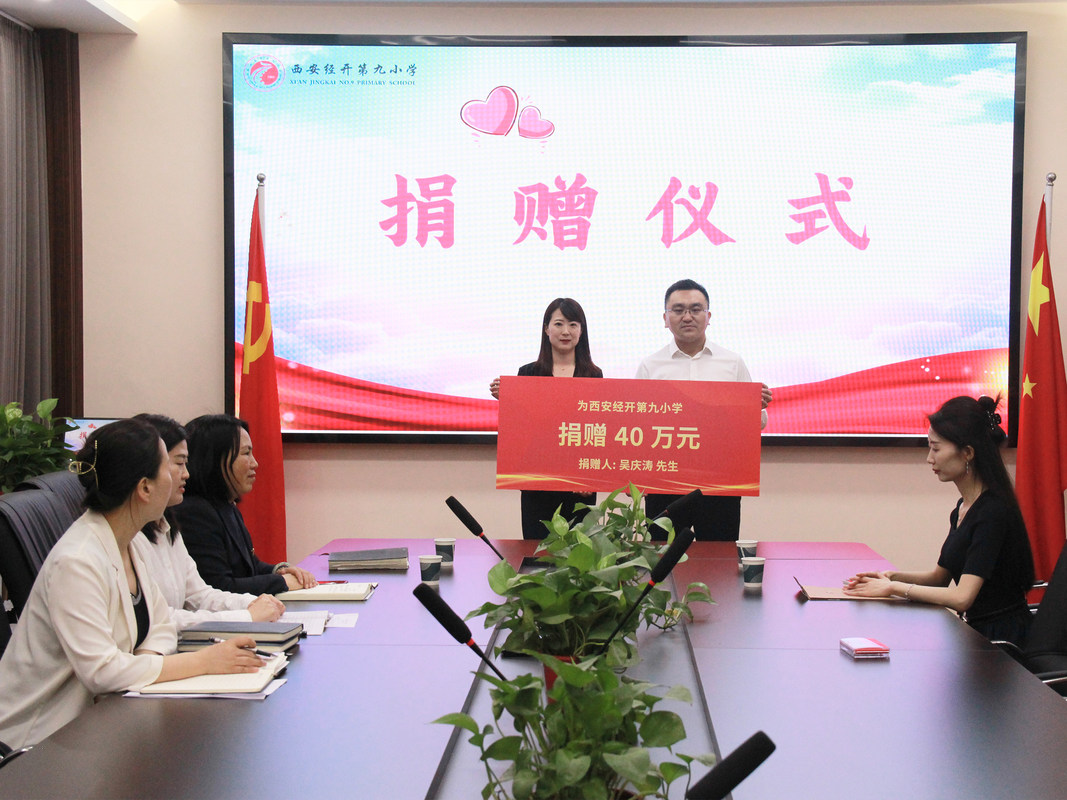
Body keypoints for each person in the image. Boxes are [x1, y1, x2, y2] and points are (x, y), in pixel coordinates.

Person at [0, 419, 264, 749]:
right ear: (144, 488)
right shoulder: (77, 560)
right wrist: (204, 661)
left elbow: (162, 626)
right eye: (169, 466)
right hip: (35, 743)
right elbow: (102, 671)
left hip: (99, 721)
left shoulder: (126, 542)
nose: (181, 475)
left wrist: (143, 662)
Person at [844, 395, 1035, 647]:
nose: (929, 458)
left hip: (1002, 641)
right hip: (976, 634)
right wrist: (890, 577)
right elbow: (939, 577)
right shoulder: (962, 508)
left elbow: (962, 597)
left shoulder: (992, 512)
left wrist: (892, 589)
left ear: (967, 453)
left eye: (936, 448)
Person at [635, 278, 772, 541]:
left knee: (719, 557)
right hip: (665, 481)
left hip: (719, 482)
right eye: (678, 310)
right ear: (665, 318)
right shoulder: (650, 366)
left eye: (695, 309)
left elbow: (758, 423)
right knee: (662, 556)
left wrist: (756, 406)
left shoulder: (732, 362)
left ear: (708, 316)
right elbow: (638, 425)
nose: (687, 316)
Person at [131, 414, 285, 628]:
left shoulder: (166, 524)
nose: (186, 474)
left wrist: (253, 603)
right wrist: (248, 614)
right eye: (179, 463)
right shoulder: (130, 535)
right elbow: (156, 619)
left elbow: (199, 594)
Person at [490, 298, 604, 539]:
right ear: (546, 329)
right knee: (536, 552)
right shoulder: (528, 373)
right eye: (559, 324)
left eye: (573, 325)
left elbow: (595, 430)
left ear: (581, 330)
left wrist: (589, 479)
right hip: (537, 482)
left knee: (580, 553)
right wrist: (508, 399)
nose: (566, 331)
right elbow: (521, 429)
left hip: (578, 485)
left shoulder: (593, 375)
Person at [173, 414, 317, 594]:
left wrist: (280, 570)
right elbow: (218, 586)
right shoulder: (194, 512)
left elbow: (250, 566)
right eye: (246, 453)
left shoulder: (226, 505)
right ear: (215, 458)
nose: (255, 463)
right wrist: (281, 582)